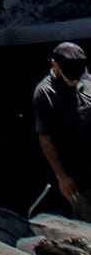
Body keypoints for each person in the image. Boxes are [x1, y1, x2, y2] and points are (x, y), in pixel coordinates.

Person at [34, 41, 91, 220]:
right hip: (76, 173)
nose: (74, 81)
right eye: (69, 77)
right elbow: (45, 139)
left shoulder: (86, 78)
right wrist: (62, 176)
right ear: (55, 65)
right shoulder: (44, 93)